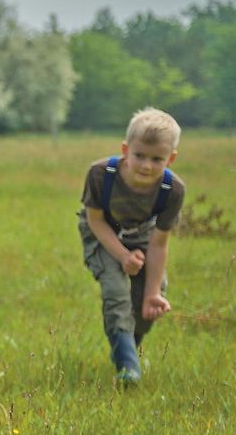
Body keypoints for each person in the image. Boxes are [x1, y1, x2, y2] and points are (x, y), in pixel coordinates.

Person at [77, 107, 185, 384]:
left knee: (150, 299)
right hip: (102, 234)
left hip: (144, 236)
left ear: (170, 159)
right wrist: (123, 256)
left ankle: (128, 348)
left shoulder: (172, 190)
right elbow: (96, 221)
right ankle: (128, 367)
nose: (146, 165)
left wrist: (151, 293)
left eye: (157, 159)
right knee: (115, 290)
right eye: (139, 156)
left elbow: (159, 244)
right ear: (125, 149)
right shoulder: (101, 174)